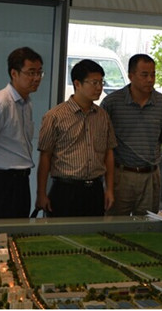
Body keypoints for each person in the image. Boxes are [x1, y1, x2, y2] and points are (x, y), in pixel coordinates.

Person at [35, 59, 117, 217]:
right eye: (94, 83)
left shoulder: (102, 116)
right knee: (62, 231)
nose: (99, 88)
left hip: (95, 189)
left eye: (101, 82)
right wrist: (41, 193)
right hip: (65, 189)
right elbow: (45, 156)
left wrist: (109, 190)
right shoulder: (55, 116)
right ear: (77, 84)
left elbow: (109, 153)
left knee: (94, 231)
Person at [0, 47, 44, 219]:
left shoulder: (26, 103)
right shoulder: (0, 103)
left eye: (39, 72)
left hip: (20, 182)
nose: (36, 78)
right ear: (14, 73)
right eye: (31, 73)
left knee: (18, 233)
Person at [101, 54, 162, 216]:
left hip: (151, 175)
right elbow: (104, 145)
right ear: (131, 76)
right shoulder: (112, 103)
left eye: (153, 74)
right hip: (121, 175)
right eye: (144, 75)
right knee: (115, 223)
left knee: (148, 225)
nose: (150, 79)